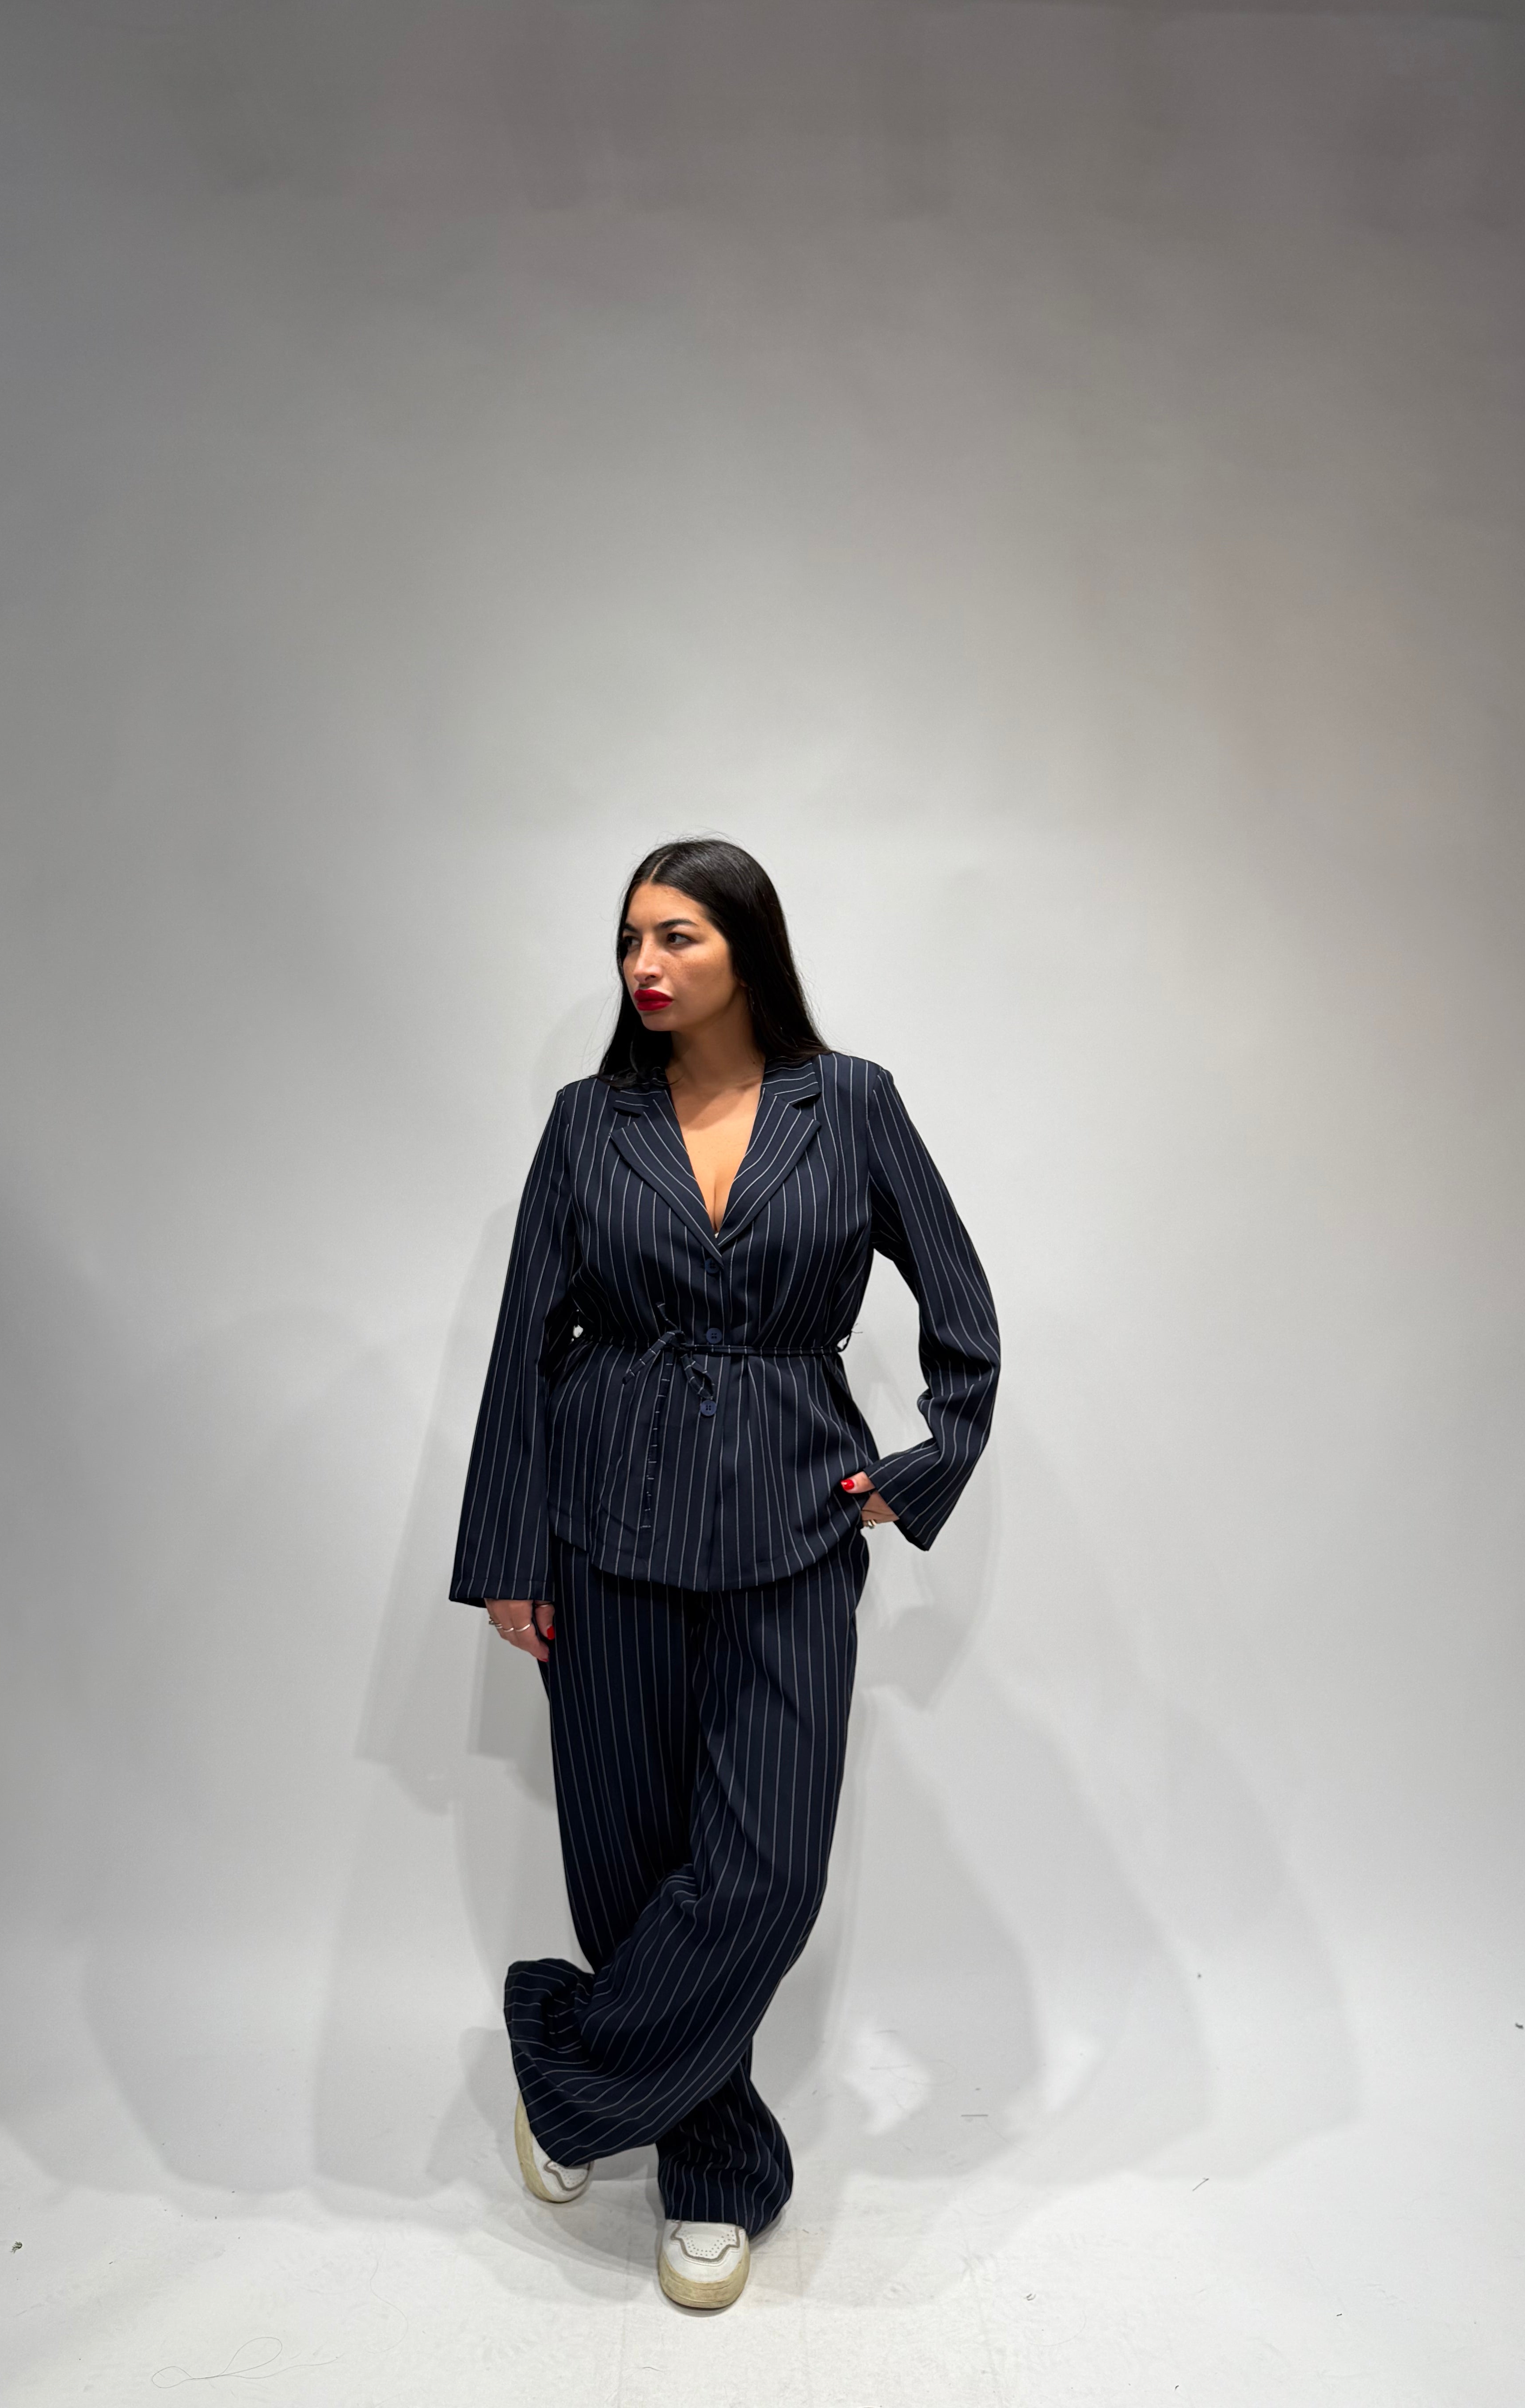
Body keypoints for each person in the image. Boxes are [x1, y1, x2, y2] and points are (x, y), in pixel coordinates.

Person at [450, 835, 1000, 2311]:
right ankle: (708, 2168)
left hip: (790, 1525)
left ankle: (565, 2062)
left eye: (677, 935)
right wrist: (509, 1548)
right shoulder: (586, 1123)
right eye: (629, 939)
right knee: (629, 1866)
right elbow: (524, 1341)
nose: (644, 964)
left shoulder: (853, 1104)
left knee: (763, 1873)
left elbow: (962, 1313)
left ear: (747, 948)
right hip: (604, 1521)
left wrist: (919, 1466)